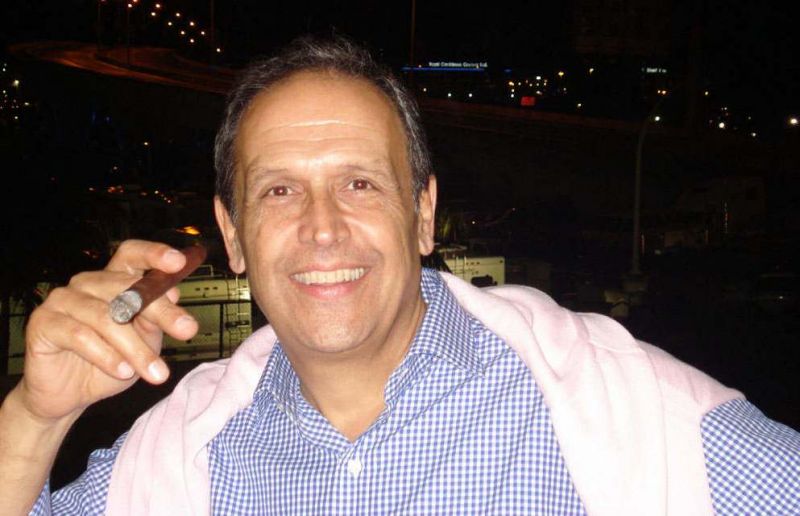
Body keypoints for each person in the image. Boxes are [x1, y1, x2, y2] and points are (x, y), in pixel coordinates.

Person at [1, 35, 798, 516]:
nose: (321, 227)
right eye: (279, 191)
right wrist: (36, 417)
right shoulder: (176, 454)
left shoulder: (619, 407)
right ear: (232, 235)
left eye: (359, 183)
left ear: (423, 215)